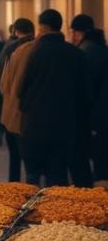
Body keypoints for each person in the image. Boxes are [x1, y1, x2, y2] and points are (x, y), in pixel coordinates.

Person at [17, 10, 86, 186]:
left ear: (44, 27)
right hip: (65, 124)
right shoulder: (76, 54)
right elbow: (84, 92)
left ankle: (34, 211)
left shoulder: (33, 52)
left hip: (36, 123)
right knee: (58, 174)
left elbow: (22, 88)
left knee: (34, 175)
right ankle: (56, 210)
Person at [69, 15, 108, 185]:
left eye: (73, 32)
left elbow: (83, 90)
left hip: (92, 118)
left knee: (84, 163)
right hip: (102, 118)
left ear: (79, 33)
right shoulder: (102, 49)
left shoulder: (84, 53)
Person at [0, 19, 35, 182]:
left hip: (12, 109)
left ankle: (14, 185)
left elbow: (2, 83)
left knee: (15, 155)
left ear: (14, 31)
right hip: (32, 111)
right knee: (30, 157)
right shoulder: (35, 48)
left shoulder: (10, 49)